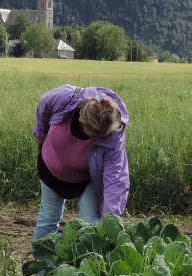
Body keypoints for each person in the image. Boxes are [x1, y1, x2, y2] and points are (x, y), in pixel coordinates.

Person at [31, 84, 131, 240]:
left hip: (87, 179)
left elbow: (116, 178)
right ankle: (41, 263)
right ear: (82, 122)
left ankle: (88, 262)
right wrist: (40, 133)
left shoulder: (113, 136)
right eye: (94, 134)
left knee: (91, 225)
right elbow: (44, 106)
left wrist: (110, 219)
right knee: (47, 220)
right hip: (51, 169)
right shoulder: (64, 99)